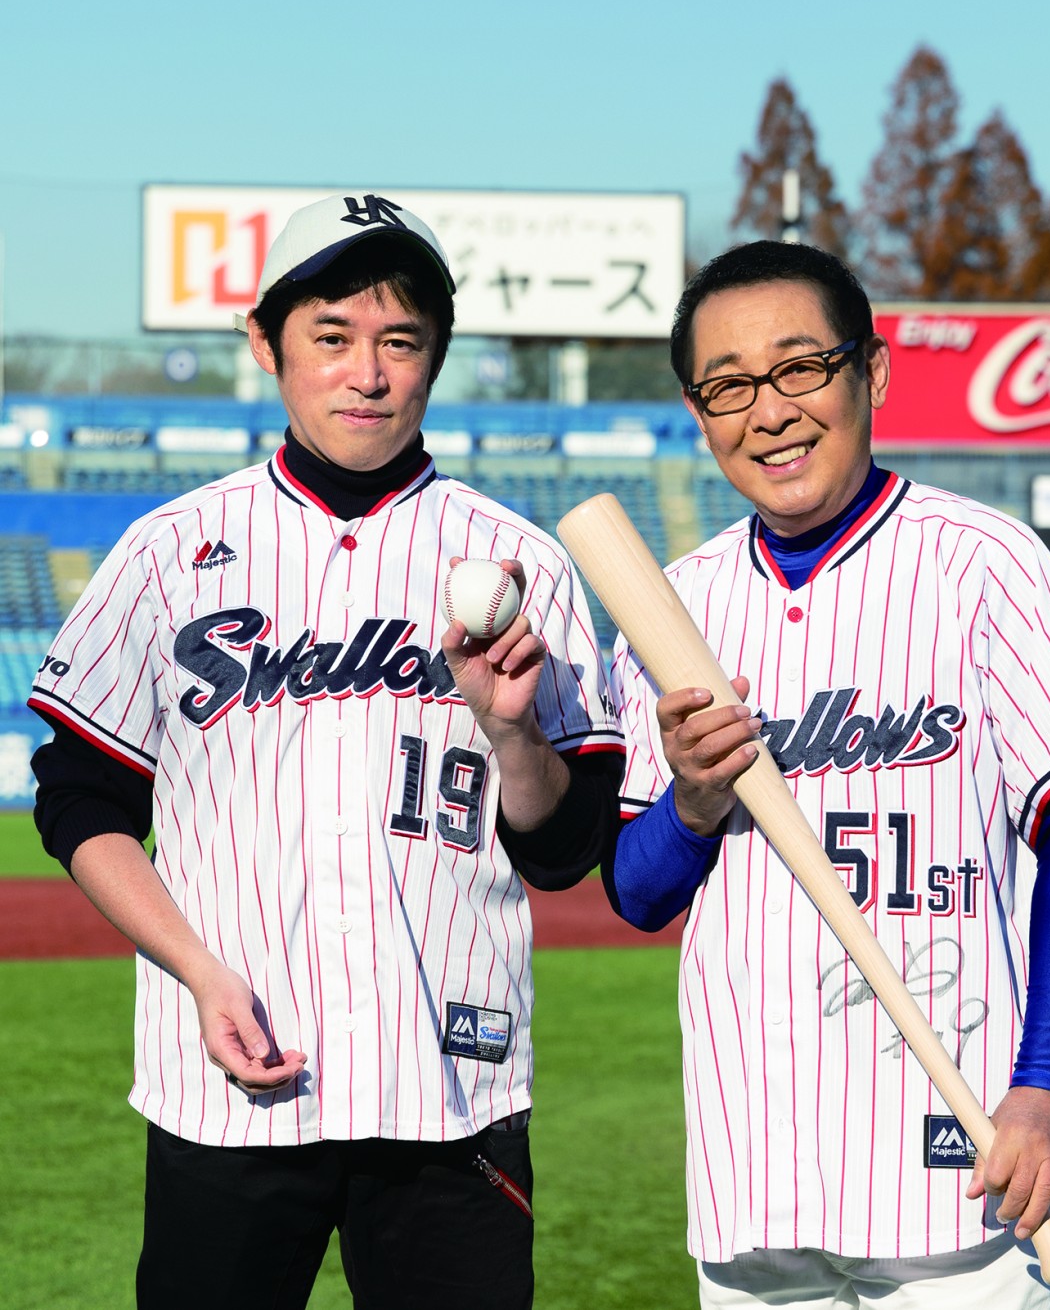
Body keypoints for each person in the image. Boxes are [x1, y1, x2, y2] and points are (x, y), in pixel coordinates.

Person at [29, 192, 623, 1310]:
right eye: (332, 336)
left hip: (452, 1092)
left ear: (435, 357)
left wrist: (510, 730)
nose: (368, 374)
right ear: (267, 345)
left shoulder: (520, 561)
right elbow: (78, 798)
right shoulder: (166, 554)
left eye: (401, 341)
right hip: (229, 1088)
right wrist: (197, 968)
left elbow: (564, 849)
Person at [603, 240, 1050, 1309]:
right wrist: (695, 800)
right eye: (729, 386)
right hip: (754, 1167)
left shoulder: (983, 561)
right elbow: (638, 890)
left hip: (962, 1163)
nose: (770, 412)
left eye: (801, 367)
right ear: (699, 413)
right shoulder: (671, 607)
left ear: (873, 372)